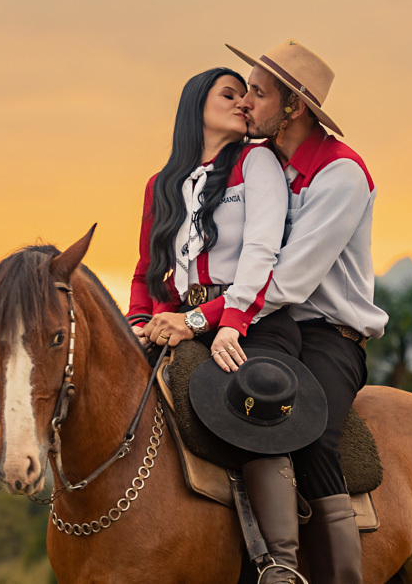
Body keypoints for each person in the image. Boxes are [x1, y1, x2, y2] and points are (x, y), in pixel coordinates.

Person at [125, 67, 309, 583]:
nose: (244, 103)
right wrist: (141, 322)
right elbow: (145, 271)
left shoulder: (258, 162)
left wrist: (206, 319)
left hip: (251, 318)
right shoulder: (160, 184)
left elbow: (261, 253)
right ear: (195, 107)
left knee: (253, 401)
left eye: (248, 95)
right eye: (229, 95)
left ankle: (280, 564)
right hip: (176, 322)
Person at [226, 39, 389, 583]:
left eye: (258, 91)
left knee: (311, 433)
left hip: (329, 335)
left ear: (293, 107)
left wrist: (212, 317)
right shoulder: (265, 164)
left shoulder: (340, 174)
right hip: (267, 324)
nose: (245, 101)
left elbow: (291, 281)